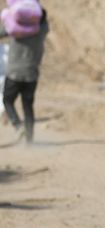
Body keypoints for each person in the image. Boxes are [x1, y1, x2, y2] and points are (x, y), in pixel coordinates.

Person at [0, 6, 48, 144]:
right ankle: (30, 140)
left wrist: (11, 16)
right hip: (32, 74)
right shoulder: (41, 31)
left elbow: (2, 32)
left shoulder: (16, 29)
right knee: (28, 107)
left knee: (7, 101)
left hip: (14, 73)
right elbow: (44, 21)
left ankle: (17, 126)